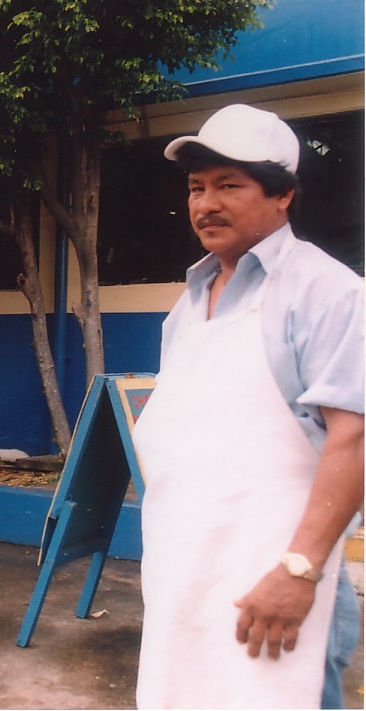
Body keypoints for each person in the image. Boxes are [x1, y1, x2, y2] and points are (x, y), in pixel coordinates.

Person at [132, 103, 364, 708]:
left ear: (284, 194)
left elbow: (354, 437)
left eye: (229, 185)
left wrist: (300, 571)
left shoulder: (327, 291)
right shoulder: (189, 303)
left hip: (280, 587)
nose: (206, 204)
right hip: (188, 576)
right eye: (196, 187)